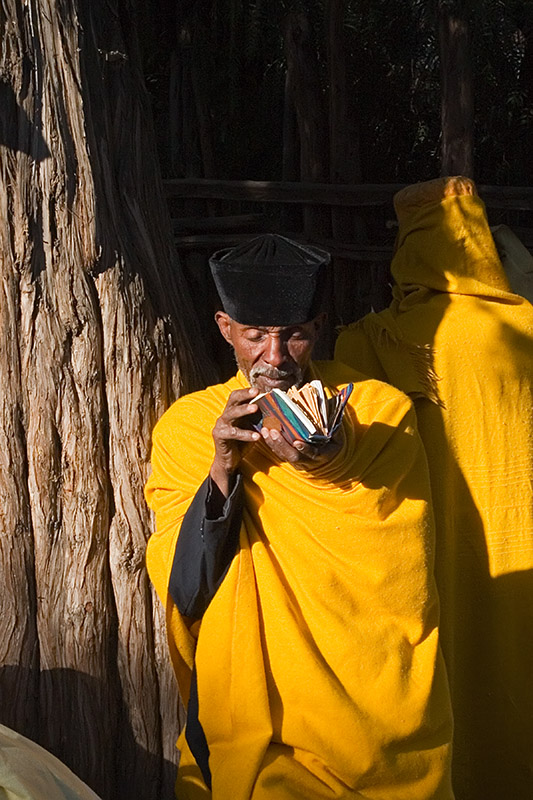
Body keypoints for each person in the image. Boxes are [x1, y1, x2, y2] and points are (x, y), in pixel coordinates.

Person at [145, 234, 454, 800]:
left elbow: (403, 566)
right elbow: (186, 585)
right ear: (224, 328)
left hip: (377, 704)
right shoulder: (190, 427)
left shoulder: (378, 411)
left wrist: (333, 464)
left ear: (319, 327)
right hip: (266, 712)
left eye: (295, 334)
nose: (276, 357)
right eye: (256, 336)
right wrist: (223, 465)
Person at [335, 177, 533, 799]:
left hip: (423, 545)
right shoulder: (526, 329)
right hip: (521, 542)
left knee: (443, 667)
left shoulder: (370, 340)